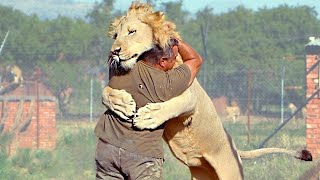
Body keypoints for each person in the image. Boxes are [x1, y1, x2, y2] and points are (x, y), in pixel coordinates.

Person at [94, 38, 202, 180]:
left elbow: (118, 45)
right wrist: (176, 40)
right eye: (174, 58)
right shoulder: (166, 83)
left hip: (107, 149)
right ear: (163, 61)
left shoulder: (118, 68)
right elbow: (195, 60)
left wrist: (151, 37)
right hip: (142, 156)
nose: (175, 61)